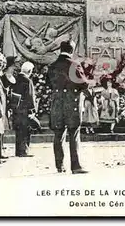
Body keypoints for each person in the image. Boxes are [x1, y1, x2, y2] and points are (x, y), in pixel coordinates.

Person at [47, 41, 89, 174]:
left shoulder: (52, 66)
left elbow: (49, 84)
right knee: (74, 134)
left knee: (58, 134)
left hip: (57, 103)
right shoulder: (74, 64)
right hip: (71, 103)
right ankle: (75, 166)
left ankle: (59, 166)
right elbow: (83, 84)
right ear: (72, 50)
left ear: (61, 49)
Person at [11, 61, 36, 157]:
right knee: (25, 130)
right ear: (29, 71)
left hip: (16, 109)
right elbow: (30, 97)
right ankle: (24, 151)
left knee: (18, 130)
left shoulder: (16, 79)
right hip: (25, 110)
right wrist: (32, 110)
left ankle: (18, 151)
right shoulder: (27, 81)